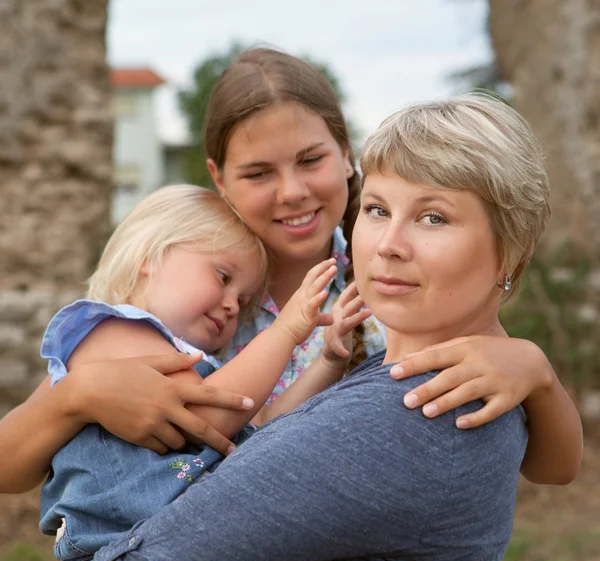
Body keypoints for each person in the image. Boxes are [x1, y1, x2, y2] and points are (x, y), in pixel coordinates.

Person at [0, 49, 581, 500]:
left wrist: (535, 372)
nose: (293, 192)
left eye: (310, 160)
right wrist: (76, 397)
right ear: (219, 179)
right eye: (258, 173)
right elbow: (11, 467)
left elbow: (553, 469)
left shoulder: (400, 282)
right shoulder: (187, 294)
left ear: (346, 153)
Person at [75, 94, 570, 561]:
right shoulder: (462, 371)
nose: (388, 244)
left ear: (511, 249)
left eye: (434, 218)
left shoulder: (410, 412)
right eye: (377, 209)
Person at [41, 184, 369, 561]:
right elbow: (205, 419)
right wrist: (286, 329)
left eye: (243, 299)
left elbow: (261, 421)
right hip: (113, 560)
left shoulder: (196, 366)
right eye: (223, 277)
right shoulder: (109, 330)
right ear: (151, 257)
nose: (233, 305)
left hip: (177, 550)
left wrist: (328, 362)